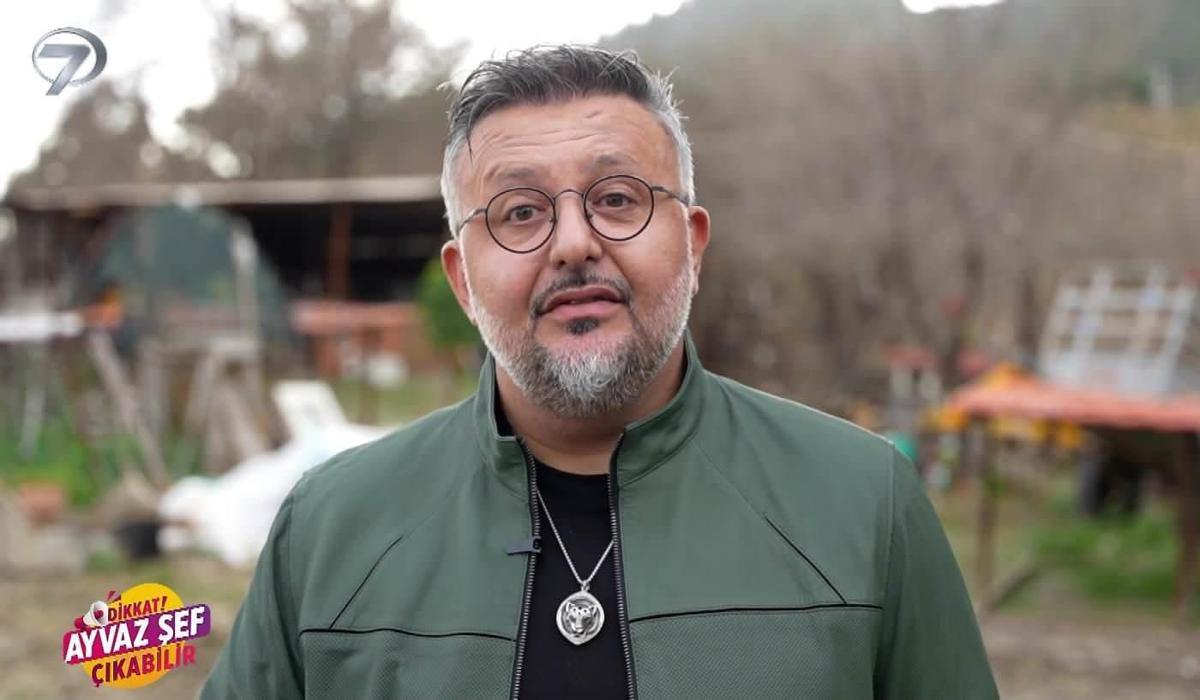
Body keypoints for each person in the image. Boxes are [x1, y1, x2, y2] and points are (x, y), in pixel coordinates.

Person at [202, 45, 998, 699]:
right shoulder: (330, 528)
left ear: (693, 246)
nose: (574, 243)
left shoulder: (863, 504)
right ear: (462, 282)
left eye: (617, 199)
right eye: (520, 212)